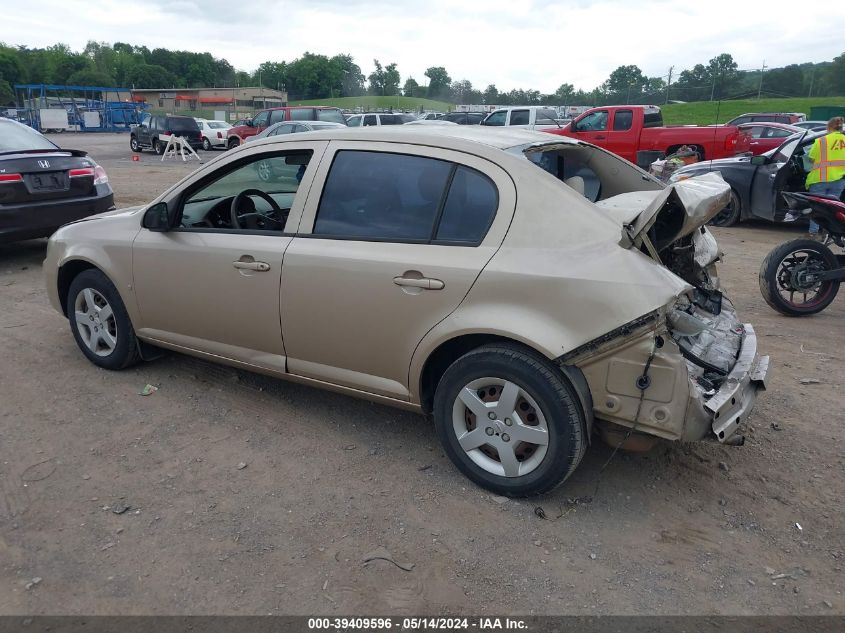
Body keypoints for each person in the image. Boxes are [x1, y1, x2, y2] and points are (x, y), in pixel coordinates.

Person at [805, 116, 845, 236]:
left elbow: (811, 159)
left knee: (816, 208)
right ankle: (830, 233)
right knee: (832, 209)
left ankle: (814, 234)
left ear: (829, 127)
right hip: (839, 180)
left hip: (820, 179)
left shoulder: (821, 141)